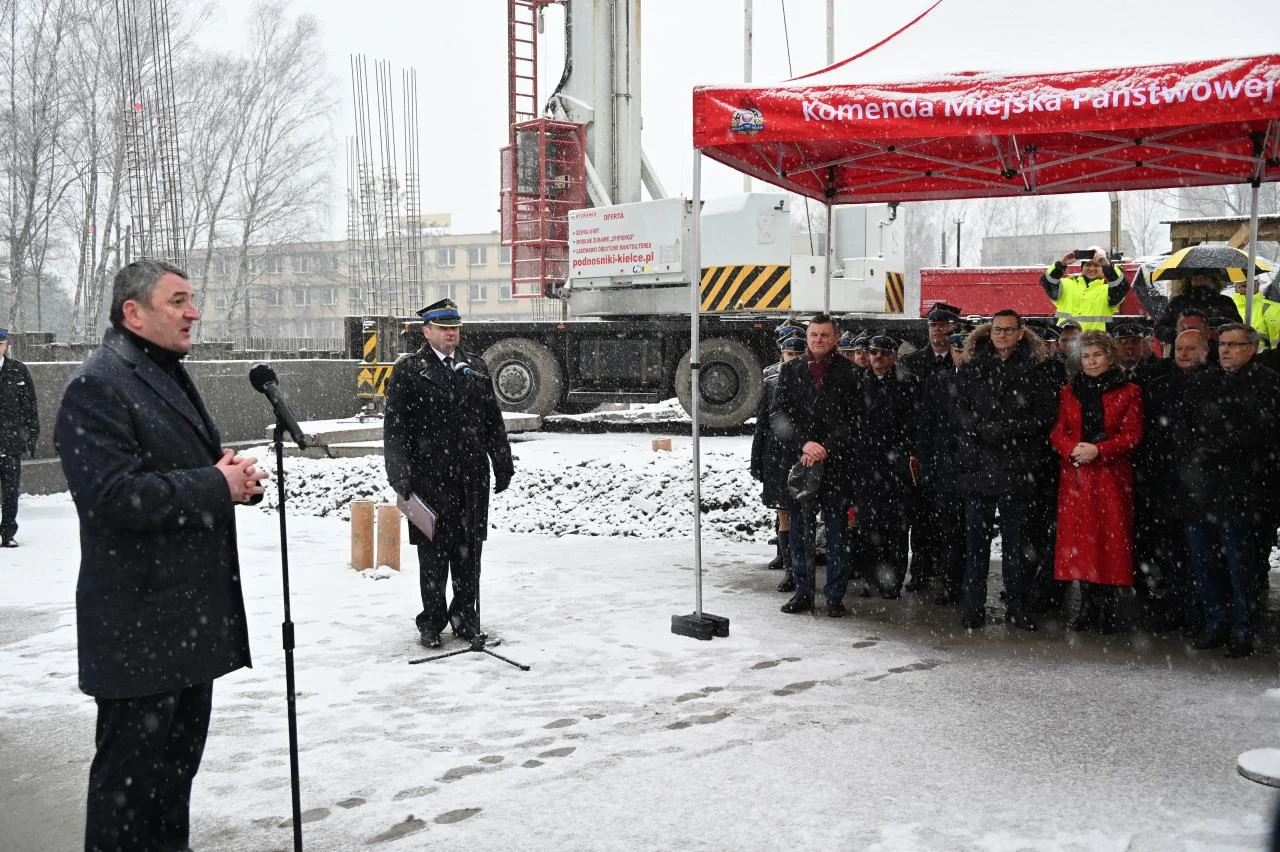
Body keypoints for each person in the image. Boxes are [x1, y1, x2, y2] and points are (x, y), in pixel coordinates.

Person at [54, 259, 265, 852]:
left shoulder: (161, 371)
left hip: (181, 630)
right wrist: (213, 485)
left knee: (172, 789)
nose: (194, 312)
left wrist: (231, 479)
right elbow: (114, 497)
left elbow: (172, 469)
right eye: (178, 300)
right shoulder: (98, 385)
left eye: (192, 299)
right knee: (128, 800)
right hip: (139, 633)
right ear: (134, 313)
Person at [384, 298, 515, 648]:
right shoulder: (410, 370)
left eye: (455, 328)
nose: (451, 335)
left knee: (469, 554)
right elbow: (395, 427)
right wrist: (399, 473)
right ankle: (432, 621)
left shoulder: (475, 367)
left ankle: (465, 618)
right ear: (427, 331)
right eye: (444, 329)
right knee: (433, 556)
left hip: (470, 479)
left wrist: (502, 462)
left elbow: (492, 421)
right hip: (428, 479)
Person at [1175, 323, 1280, 657]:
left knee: (1241, 564)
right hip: (1201, 489)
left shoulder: (1267, 384)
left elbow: (1262, 432)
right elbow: (1181, 425)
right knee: (1204, 563)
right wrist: (1196, 450)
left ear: (1253, 348)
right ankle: (1215, 623)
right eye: (1222, 344)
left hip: (1243, 489)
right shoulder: (1203, 382)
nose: (1225, 351)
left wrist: (1215, 449)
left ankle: (1244, 629)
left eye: (1234, 345)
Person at [954, 310, 1058, 630]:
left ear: (1020, 333)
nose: (1001, 335)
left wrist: (1009, 429)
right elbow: (958, 410)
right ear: (990, 332)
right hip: (979, 467)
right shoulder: (972, 367)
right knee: (976, 547)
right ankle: (973, 607)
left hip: (1017, 467)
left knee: (1016, 547)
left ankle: (1017, 606)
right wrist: (981, 429)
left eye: (1008, 330)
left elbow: (1044, 415)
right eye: (997, 329)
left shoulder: (1036, 369)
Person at [1049, 331, 1143, 634]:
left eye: (1097, 355)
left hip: (1110, 477)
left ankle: (1107, 607)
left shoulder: (1129, 391)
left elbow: (1132, 435)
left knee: (1109, 541)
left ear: (1110, 357)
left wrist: (1099, 450)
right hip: (1076, 476)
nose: (1091, 362)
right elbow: (1058, 431)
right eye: (1086, 356)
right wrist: (1071, 450)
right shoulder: (1069, 391)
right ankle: (1087, 604)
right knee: (1079, 542)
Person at [771, 313, 860, 617]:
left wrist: (826, 448)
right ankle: (803, 593)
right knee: (799, 534)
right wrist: (804, 445)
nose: (818, 340)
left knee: (837, 535)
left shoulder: (851, 374)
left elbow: (855, 420)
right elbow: (778, 415)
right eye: (813, 335)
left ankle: (835, 597)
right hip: (800, 466)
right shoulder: (790, 371)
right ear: (807, 337)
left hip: (836, 466)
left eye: (824, 335)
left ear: (835, 338)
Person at [1138, 329, 1209, 633]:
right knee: (1170, 552)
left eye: (1190, 349)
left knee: (1202, 555)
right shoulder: (1159, 386)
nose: (1183, 354)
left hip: (1205, 484)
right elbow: (1149, 433)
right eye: (1179, 348)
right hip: (1166, 481)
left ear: (1206, 350)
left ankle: (1200, 613)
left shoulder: (1215, 386)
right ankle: (1175, 608)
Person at [853, 334, 919, 598]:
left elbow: (914, 424)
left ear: (894, 355)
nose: (877, 357)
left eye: (883, 352)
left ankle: (892, 582)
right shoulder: (859, 384)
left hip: (895, 468)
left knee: (896, 528)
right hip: (867, 467)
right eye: (873, 352)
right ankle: (871, 578)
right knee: (869, 528)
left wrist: (901, 454)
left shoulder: (909, 384)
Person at [914, 330, 970, 605]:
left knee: (973, 533)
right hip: (946, 469)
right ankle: (951, 585)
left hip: (977, 470)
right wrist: (928, 466)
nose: (962, 356)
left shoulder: (987, 381)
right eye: (958, 350)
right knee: (948, 531)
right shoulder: (937, 382)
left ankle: (970, 586)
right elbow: (925, 428)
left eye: (967, 350)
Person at [752, 334, 806, 591]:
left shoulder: (811, 378)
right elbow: (762, 421)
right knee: (783, 514)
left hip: (801, 455)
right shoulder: (771, 379)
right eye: (789, 354)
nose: (793, 359)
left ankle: (798, 569)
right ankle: (789, 570)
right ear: (781, 354)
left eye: (798, 354)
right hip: (776, 455)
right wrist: (757, 459)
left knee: (801, 517)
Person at [0, 327, 39, 547]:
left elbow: (29, 406)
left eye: (1, 343)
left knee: (10, 490)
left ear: (6, 345)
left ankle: (7, 532)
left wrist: (32, 434)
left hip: (10, 440)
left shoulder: (17, 371)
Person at [1040, 247, 1129, 331]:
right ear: (1081, 268)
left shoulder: (1108, 291)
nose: (1091, 268)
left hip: (1095, 344)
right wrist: (1061, 264)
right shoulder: (1066, 285)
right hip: (1068, 343)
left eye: (1096, 265)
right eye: (1088, 264)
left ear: (1103, 270)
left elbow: (1122, 286)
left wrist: (1108, 266)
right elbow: (1046, 282)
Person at [1155, 271, 1241, 342]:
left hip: (1217, 354)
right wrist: (1179, 334)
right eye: (1196, 278)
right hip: (1184, 353)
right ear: (1190, 280)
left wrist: (1217, 333)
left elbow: (1238, 328)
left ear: (1212, 280)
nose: (1200, 281)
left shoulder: (1225, 302)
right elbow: (1160, 328)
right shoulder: (1178, 302)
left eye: (1204, 277)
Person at [901, 304, 961, 380]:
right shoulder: (908, 362)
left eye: (943, 324)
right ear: (928, 329)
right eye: (933, 324)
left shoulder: (962, 360)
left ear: (955, 328)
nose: (937, 328)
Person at [1229, 274, 1280, 350]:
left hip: (1261, 358)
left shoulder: (1274, 308)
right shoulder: (1228, 307)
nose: (1248, 289)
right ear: (1236, 288)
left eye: (1251, 285)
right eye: (1244, 286)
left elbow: (1276, 345)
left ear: (1258, 285)